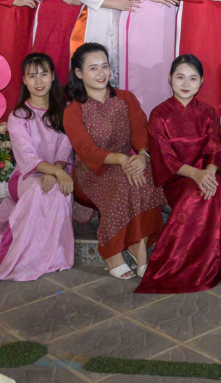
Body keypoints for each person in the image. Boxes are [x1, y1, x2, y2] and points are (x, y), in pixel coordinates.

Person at [136, 55, 221, 293]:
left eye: (193, 78)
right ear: (170, 79)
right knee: (198, 195)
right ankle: (183, 265)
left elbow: (216, 148)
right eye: (180, 77)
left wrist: (209, 174)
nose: (186, 83)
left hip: (206, 174)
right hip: (175, 179)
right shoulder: (159, 114)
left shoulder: (208, 112)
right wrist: (196, 175)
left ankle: (211, 264)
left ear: (201, 82)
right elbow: (164, 157)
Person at [62, 43, 166, 279]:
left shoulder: (125, 98)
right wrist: (120, 158)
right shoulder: (73, 110)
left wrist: (142, 156)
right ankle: (111, 251)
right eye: (93, 68)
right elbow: (86, 150)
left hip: (127, 164)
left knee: (145, 174)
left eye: (105, 66)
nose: (102, 74)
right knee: (124, 180)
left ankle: (139, 247)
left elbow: (141, 132)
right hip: (91, 173)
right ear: (79, 73)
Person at [0, 53, 76, 282]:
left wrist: (56, 171)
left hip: (58, 171)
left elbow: (65, 149)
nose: (39, 81)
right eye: (32, 76)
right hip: (24, 177)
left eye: (44, 74)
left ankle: (50, 255)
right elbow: (26, 156)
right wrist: (54, 172)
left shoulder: (66, 112)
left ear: (53, 76)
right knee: (38, 190)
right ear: (24, 80)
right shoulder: (19, 116)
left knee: (57, 191)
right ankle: (4, 255)